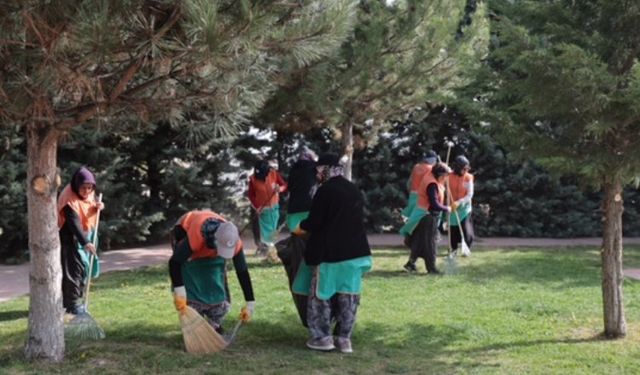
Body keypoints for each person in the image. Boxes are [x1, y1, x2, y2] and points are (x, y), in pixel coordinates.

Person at [292, 153, 372, 353]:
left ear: (323, 170)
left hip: (330, 255)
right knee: (349, 298)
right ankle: (344, 339)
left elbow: (315, 222)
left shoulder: (325, 191)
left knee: (321, 298)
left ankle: (322, 338)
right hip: (356, 255)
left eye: (318, 171)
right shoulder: (353, 189)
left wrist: (301, 226)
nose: (317, 175)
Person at [169, 210, 255, 333]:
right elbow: (175, 263)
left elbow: (242, 271)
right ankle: (195, 321)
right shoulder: (196, 236)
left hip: (210, 247)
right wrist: (180, 293)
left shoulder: (233, 241)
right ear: (214, 240)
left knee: (216, 284)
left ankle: (214, 323)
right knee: (191, 277)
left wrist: (250, 304)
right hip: (184, 235)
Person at [58, 166, 104, 315]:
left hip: (86, 234)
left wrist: (99, 205)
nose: (87, 191)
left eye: (90, 188)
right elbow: (73, 223)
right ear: (77, 185)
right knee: (73, 271)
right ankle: (72, 304)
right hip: (71, 237)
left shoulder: (88, 192)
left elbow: (91, 202)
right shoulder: (68, 199)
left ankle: (77, 299)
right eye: (84, 188)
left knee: (84, 268)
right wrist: (85, 242)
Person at [399, 162, 453, 274]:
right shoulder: (431, 184)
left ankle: (410, 263)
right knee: (430, 243)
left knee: (418, 241)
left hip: (423, 214)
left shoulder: (433, 177)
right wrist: (446, 208)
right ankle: (432, 269)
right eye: (445, 175)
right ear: (439, 174)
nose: (446, 178)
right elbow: (434, 204)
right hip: (427, 215)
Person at [248, 159, 287, 255]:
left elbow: (284, 185)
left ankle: (270, 248)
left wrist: (280, 189)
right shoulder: (253, 179)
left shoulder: (273, 173)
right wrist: (257, 207)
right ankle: (266, 249)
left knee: (274, 229)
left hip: (274, 207)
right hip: (263, 210)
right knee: (265, 231)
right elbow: (251, 195)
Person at [286, 146, 318, 231]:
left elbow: (289, 187)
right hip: (309, 207)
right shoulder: (315, 168)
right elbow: (330, 172)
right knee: (308, 237)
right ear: (310, 157)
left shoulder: (293, 169)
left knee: (296, 236)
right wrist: (346, 156)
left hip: (294, 208)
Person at [448, 155, 475, 254]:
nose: (466, 171)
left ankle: (467, 248)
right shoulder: (448, 176)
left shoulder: (468, 177)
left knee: (466, 229)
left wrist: (459, 202)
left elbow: (470, 194)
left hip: (464, 208)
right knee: (453, 229)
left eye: (467, 168)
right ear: (458, 168)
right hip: (453, 207)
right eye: (464, 169)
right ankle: (453, 249)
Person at [401, 150, 439, 219]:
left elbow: (409, 183)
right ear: (432, 160)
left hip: (413, 195)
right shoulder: (430, 169)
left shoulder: (416, 167)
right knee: (420, 219)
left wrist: (411, 193)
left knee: (410, 217)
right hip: (423, 197)